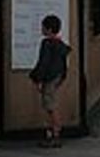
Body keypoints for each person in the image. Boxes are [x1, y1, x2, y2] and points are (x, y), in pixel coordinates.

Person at [29, 14, 71, 148]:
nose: (41, 29)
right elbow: (64, 64)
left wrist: (36, 78)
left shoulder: (47, 44)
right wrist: (62, 77)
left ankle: (54, 135)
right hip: (56, 78)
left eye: (43, 27)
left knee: (50, 107)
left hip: (48, 78)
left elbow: (43, 63)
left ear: (49, 29)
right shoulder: (60, 45)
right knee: (50, 106)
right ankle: (53, 133)